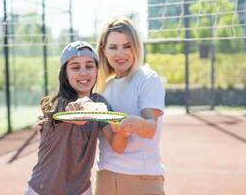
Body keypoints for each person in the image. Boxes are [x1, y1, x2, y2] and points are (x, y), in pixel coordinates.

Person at [25, 41, 127, 195]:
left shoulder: (99, 102)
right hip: (41, 190)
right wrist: (82, 107)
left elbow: (118, 146)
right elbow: (72, 116)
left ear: (97, 70)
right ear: (64, 72)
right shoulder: (57, 103)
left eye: (89, 66)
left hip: (81, 190)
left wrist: (124, 127)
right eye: (75, 67)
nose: (83, 73)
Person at [93, 17, 166, 195]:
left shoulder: (148, 79)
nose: (120, 53)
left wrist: (134, 124)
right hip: (105, 177)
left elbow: (150, 128)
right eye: (113, 47)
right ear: (103, 50)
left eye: (127, 46)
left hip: (142, 179)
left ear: (136, 47)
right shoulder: (102, 87)